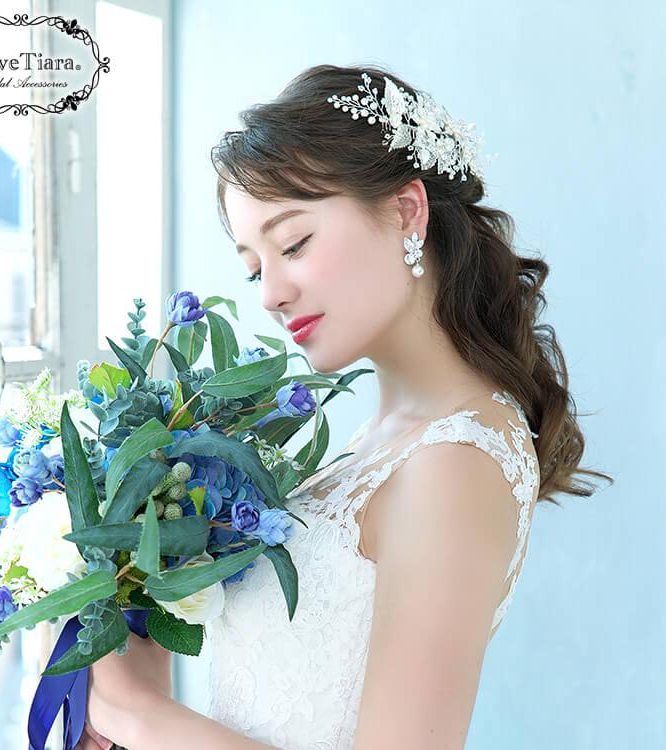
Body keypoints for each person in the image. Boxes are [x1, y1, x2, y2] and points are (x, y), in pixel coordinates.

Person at [75, 64, 612, 750]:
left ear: (407, 211)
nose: (270, 294)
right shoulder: (377, 442)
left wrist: (138, 714)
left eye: (293, 244)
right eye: (254, 267)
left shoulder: (455, 462)